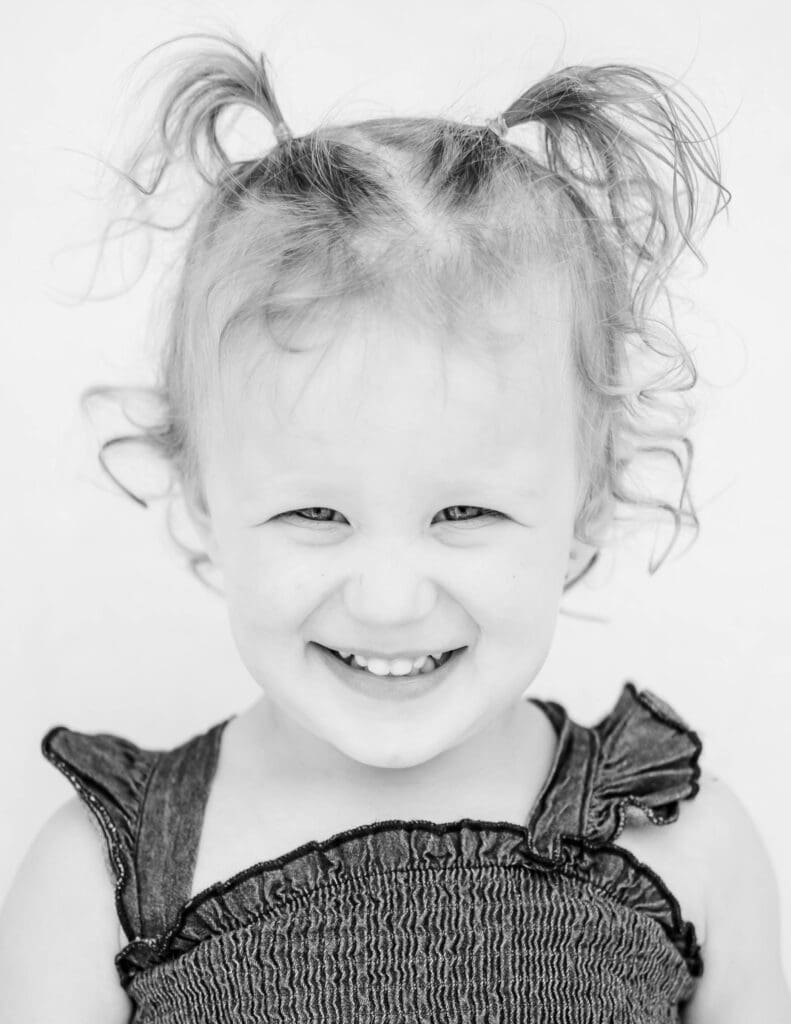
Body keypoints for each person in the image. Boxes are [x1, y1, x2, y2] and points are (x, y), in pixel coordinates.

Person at [1, 31, 789, 1024]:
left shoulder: (688, 851)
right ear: (201, 501)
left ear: (588, 504)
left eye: (463, 511)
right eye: (313, 512)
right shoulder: (98, 887)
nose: (386, 597)